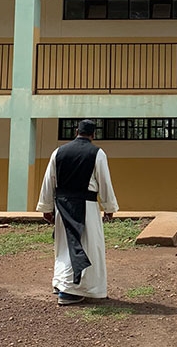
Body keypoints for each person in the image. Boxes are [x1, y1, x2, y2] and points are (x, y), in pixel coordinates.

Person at [37, 119, 119, 305]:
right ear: (93, 134)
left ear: (76, 131)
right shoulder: (97, 153)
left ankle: (61, 283)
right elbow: (104, 182)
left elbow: (49, 180)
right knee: (87, 245)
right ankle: (71, 291)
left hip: (63, 206)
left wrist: (46, 207)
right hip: (86, 206)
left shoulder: (58, 152)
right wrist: (109, 208)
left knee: (65, 246)